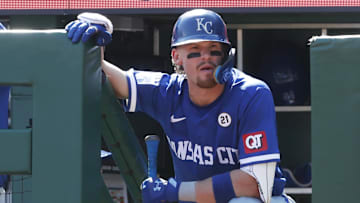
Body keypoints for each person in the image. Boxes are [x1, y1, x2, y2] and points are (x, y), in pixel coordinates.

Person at [65, 9, 295, 203]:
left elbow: (256, 182)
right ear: (177, 57)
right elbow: (110, 81)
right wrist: (93, 46)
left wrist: (175, 191)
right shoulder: (169, 92)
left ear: (226, 55)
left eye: (214, 49)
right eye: (194, 50)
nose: (205, 57)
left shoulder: (251, 94)